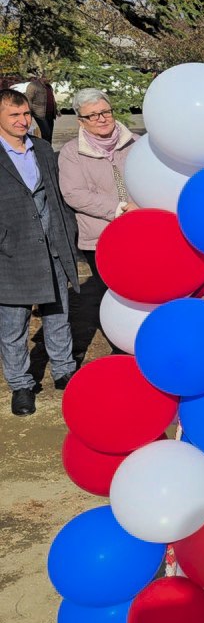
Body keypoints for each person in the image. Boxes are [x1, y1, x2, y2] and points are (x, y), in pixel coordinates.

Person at [0, 88, 80, 417]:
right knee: (13, 325)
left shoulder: (44, 149)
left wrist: (68, 233)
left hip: (53, 246)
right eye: (13, 115)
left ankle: (64, 371)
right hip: (11, 253)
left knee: (58, 315)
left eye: (25, 114)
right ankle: (21, 383)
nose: (22, 121)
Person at [57, 88, 137, 338]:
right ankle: (121, 341)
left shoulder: (136, 142)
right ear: (80, 121)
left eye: (105, 112)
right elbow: (74, 193)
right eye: (92, 115)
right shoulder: (71, 153)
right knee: (114, 293)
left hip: (141, 229)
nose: (101, 118)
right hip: (100, 237)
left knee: (142, 286)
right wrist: (119, 208)